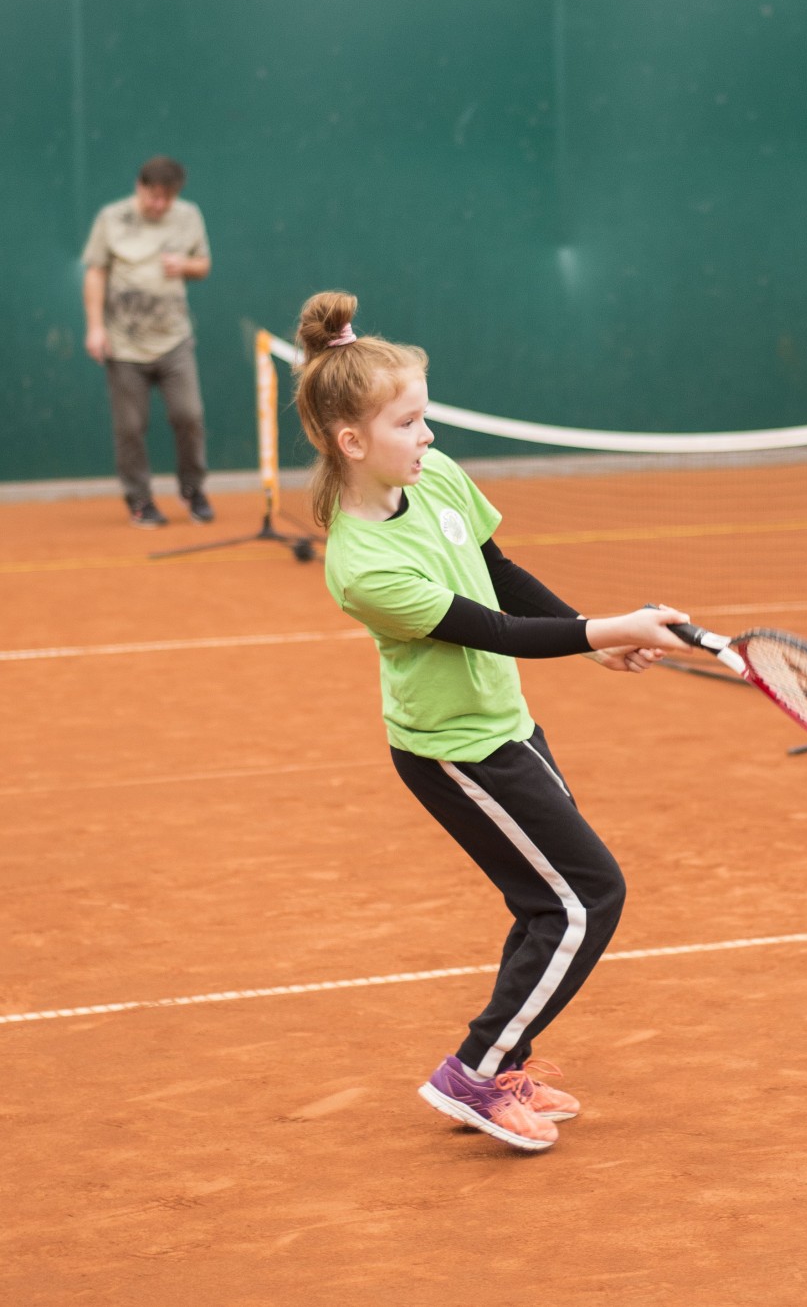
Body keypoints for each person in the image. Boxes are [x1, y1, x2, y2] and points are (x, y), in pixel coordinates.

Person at [293, 290, 690, 1152]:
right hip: (455, 753)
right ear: (351, 442)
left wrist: (590, 637)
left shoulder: (434, 476)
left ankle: (501, 1065)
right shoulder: (363, 567)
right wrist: (610, 628)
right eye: (408, 423)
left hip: (507, 724)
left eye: (424, 416)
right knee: (587, 897)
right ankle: (473, 1070)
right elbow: (494, 631)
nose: (427, 435)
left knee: (546, 899)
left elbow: (498, 571)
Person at [82, 156, 214, 528]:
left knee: (189, 416)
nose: (159, 204)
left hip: (174, 341)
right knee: (130, 428)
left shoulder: (189, 216)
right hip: (124, 346)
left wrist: (184, 266)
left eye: (167, 198)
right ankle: (140, 500)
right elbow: (95, 273)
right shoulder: (112, 218)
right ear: (139, 187)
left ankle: (193, 490)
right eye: (153, 196)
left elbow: (203, 264)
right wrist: (95, 327)